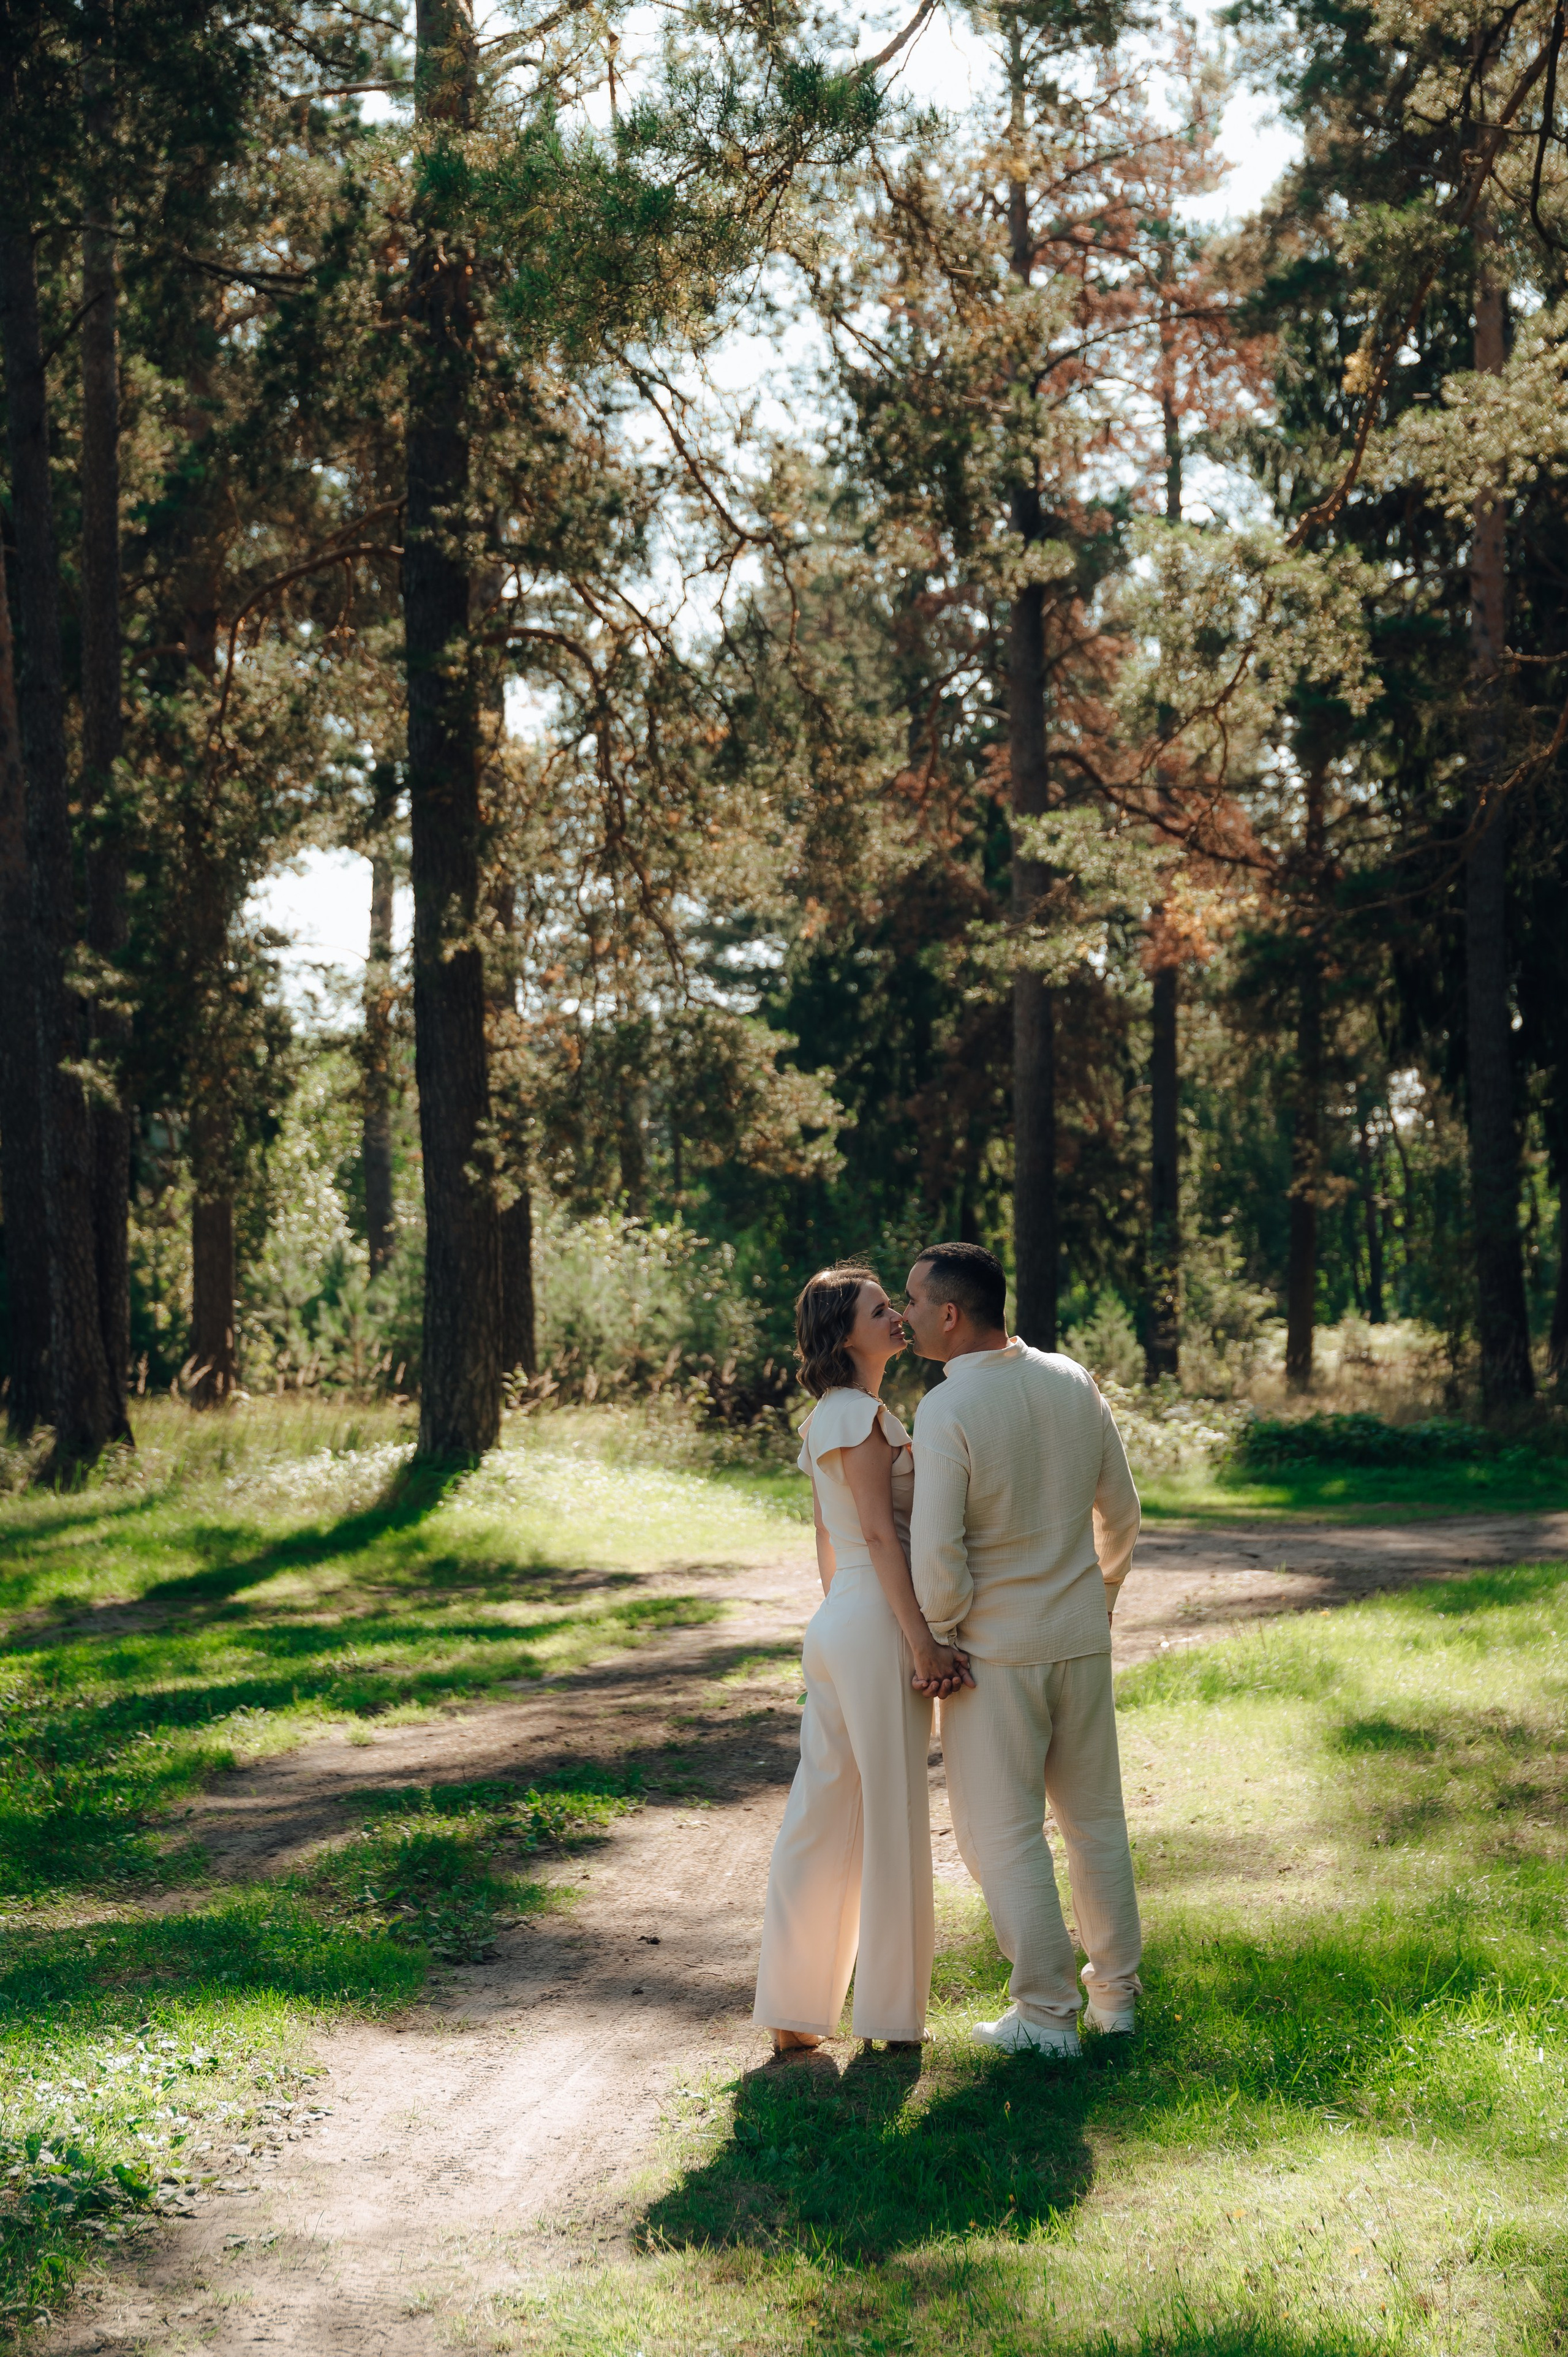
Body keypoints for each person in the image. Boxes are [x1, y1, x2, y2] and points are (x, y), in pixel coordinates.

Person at [902, 1240, 1143, 2059]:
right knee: (1096, 1825)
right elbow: (1122, 1509)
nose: (901, 1315)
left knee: (1001, 1834)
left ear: (949, 1314)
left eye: (910, 1302)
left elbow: (938, 1553)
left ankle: (1046, 2016)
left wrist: (942, 1635)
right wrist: (1099, 1600)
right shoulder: (1071, 1378)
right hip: (1079, 1637)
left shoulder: (946, 1409)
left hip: (992, 1655)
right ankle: (1116, 2000)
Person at [753, 1263, 971, 2056]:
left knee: (823, 1816)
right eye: (882, 1311)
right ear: (844, 1334)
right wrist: (921, 1640)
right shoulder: (863, 1420)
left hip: (840, 1621)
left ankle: (794, 2011)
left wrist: (840, 1617)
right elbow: (882, 1537)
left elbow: (828, 1539)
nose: (897, 1319)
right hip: (875, 1627)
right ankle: (889, 2018)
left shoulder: (829, 1416)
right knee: (891, 1820)